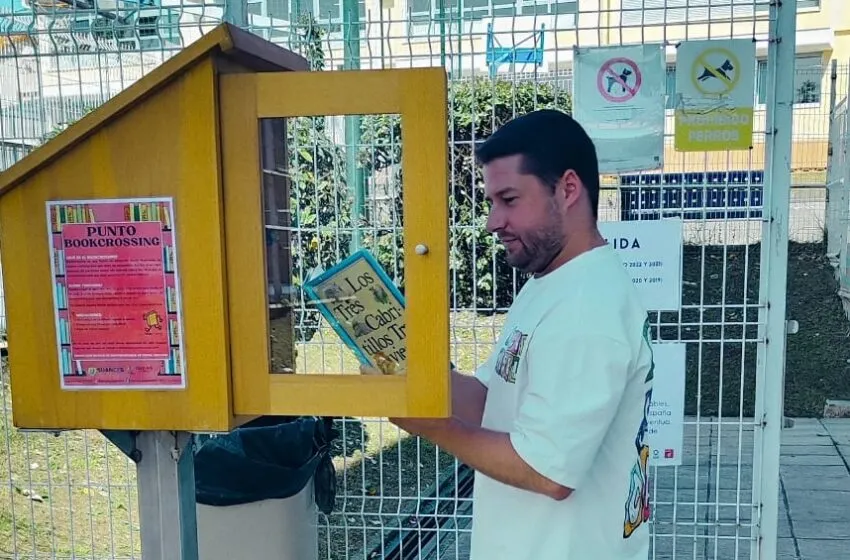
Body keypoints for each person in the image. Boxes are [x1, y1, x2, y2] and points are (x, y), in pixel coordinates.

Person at [368, 108, 655, 559]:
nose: (492, 221)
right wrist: (416, 374)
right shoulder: (552, 284)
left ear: (568, 189)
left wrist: (432, 426)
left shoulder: (588, 307)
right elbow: (492, 401)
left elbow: (548, 472)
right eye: (491, 202)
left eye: (509, 199)